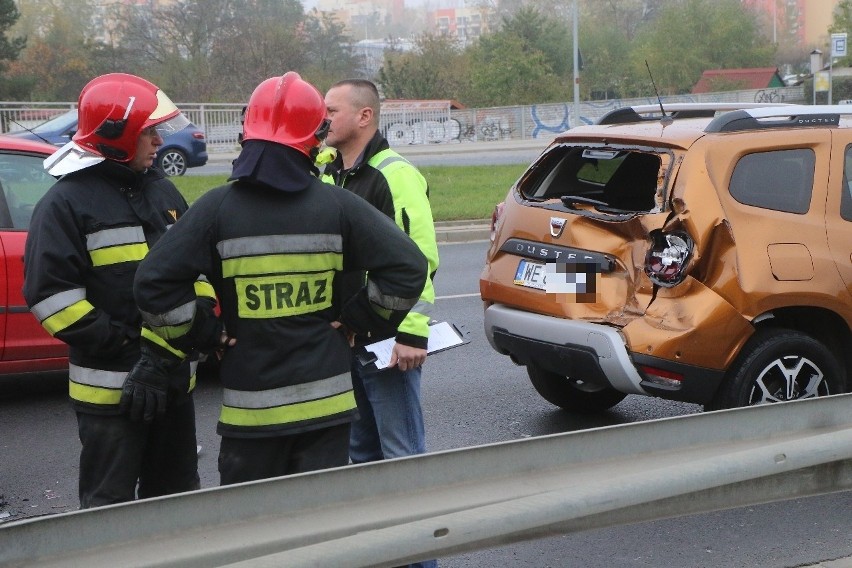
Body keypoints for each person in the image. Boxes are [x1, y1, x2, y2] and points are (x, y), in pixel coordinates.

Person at [131, 72, 428, 485]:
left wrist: (205, 334)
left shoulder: (216, 208)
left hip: (250, 415)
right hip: (326, 409)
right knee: (319, 532)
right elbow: (409, 267)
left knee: (257, 535)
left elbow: (152, 284)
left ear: (247, 134)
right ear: (313, 138)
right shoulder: (338, 204)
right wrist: (359, 320)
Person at [23, 73, 215, 508]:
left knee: (178, 504)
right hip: (111, 394)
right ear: (116, 136)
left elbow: (197, 270)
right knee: (109, 511)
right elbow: (53, 299)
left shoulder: (163, 192)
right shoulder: (65, 204)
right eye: (147, 131)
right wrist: (134, 351)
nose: (157, 142)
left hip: (173, 386)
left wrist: (198, 323)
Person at [322, 79, 439, 466]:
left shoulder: (395, 174)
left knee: (401, 453)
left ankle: (418, 526)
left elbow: (420, 258)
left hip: (388, 342)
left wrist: (411, 333)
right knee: (361, 454)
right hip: (345, 335)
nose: (323, 120)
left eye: (331, 111)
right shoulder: (328, 173)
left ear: (364, 115)